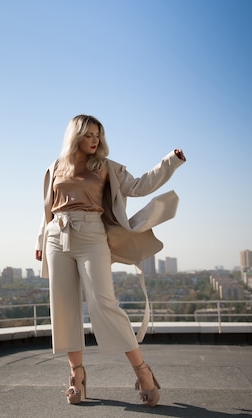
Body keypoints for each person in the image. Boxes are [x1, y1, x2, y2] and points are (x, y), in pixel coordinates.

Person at [34, 114, 186, 406]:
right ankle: (76, 374)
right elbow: (47, 209)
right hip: (57, 236)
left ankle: (142, 371)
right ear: (75, 135)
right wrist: (41, 239)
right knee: (63, 307)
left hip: (92, 235)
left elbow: (140, 185)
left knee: (104, 304)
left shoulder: (105, 167)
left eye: (98, 135)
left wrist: (171, 161)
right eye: (89, 135)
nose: (95, 140)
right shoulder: (55, 167)